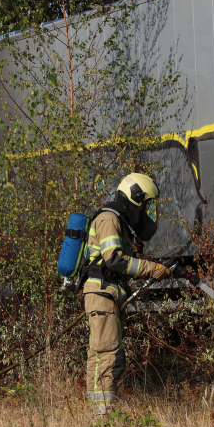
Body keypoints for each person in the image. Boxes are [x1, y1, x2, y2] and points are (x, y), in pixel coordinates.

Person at [82, 173, 171, 413]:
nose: (146, 210)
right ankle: (103, 416)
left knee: (100, 354)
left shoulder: (118, 220)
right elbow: (115, 260)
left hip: (107, 294)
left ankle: (98, 412)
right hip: (102, 293)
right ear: (136, 197)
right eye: (146, 204)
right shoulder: (109, 219)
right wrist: (152, 268)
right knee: (108, 355)